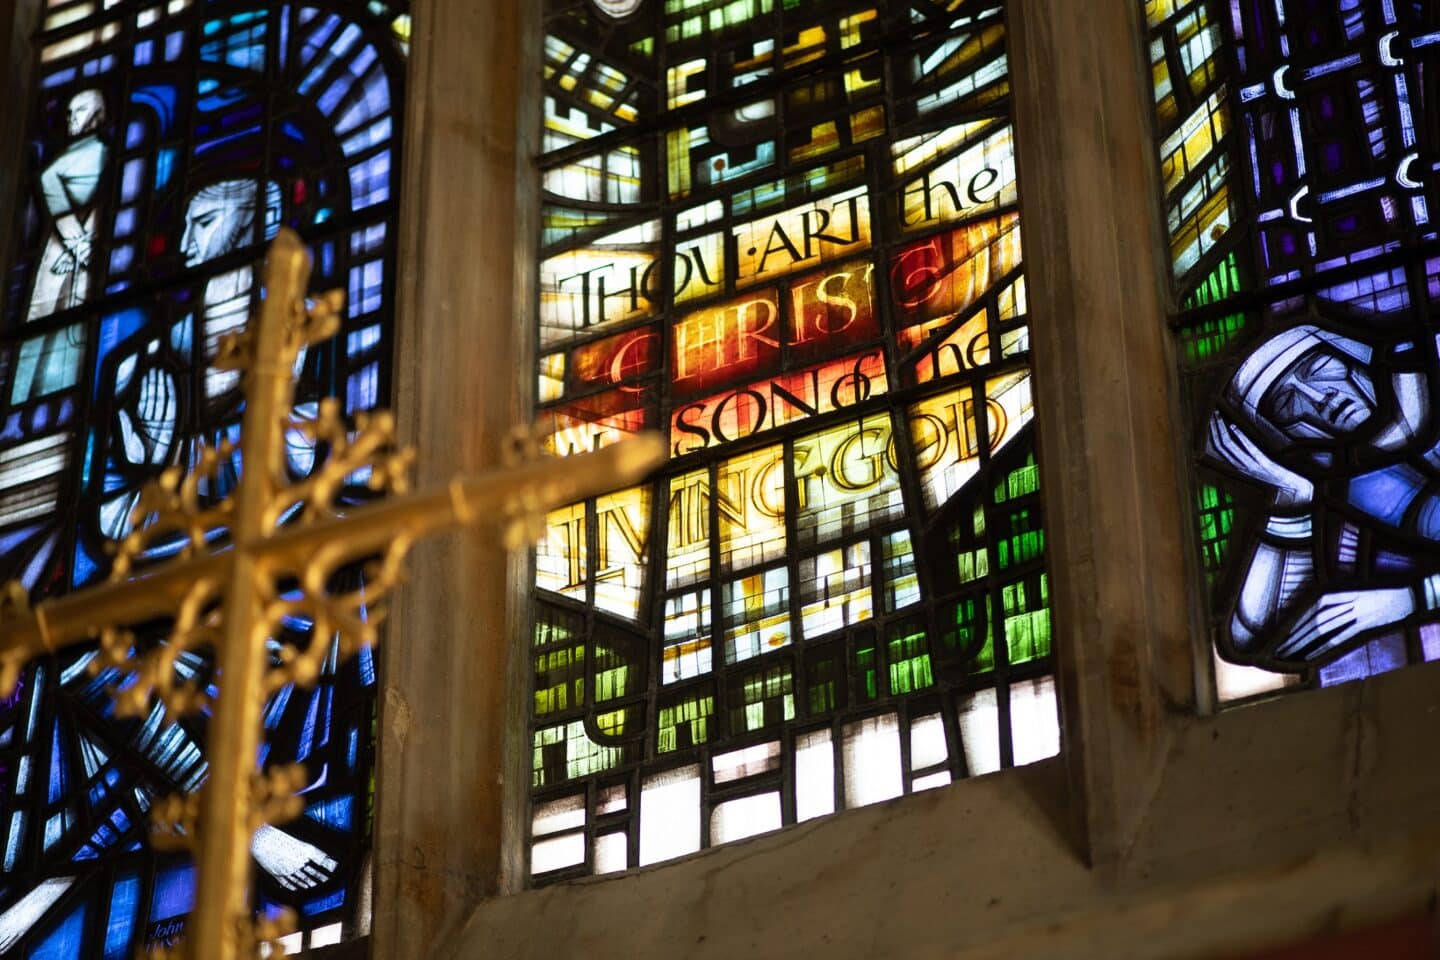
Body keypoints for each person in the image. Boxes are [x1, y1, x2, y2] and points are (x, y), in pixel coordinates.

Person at [1206, 319, 1440, 669]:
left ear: (1352, 355)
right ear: (1284, 436)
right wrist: (1291, 494)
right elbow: (1252, 635)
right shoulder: (1343, 518)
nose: (1319, 399)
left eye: (1320, 369)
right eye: (1287, 404)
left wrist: (1410, 598)